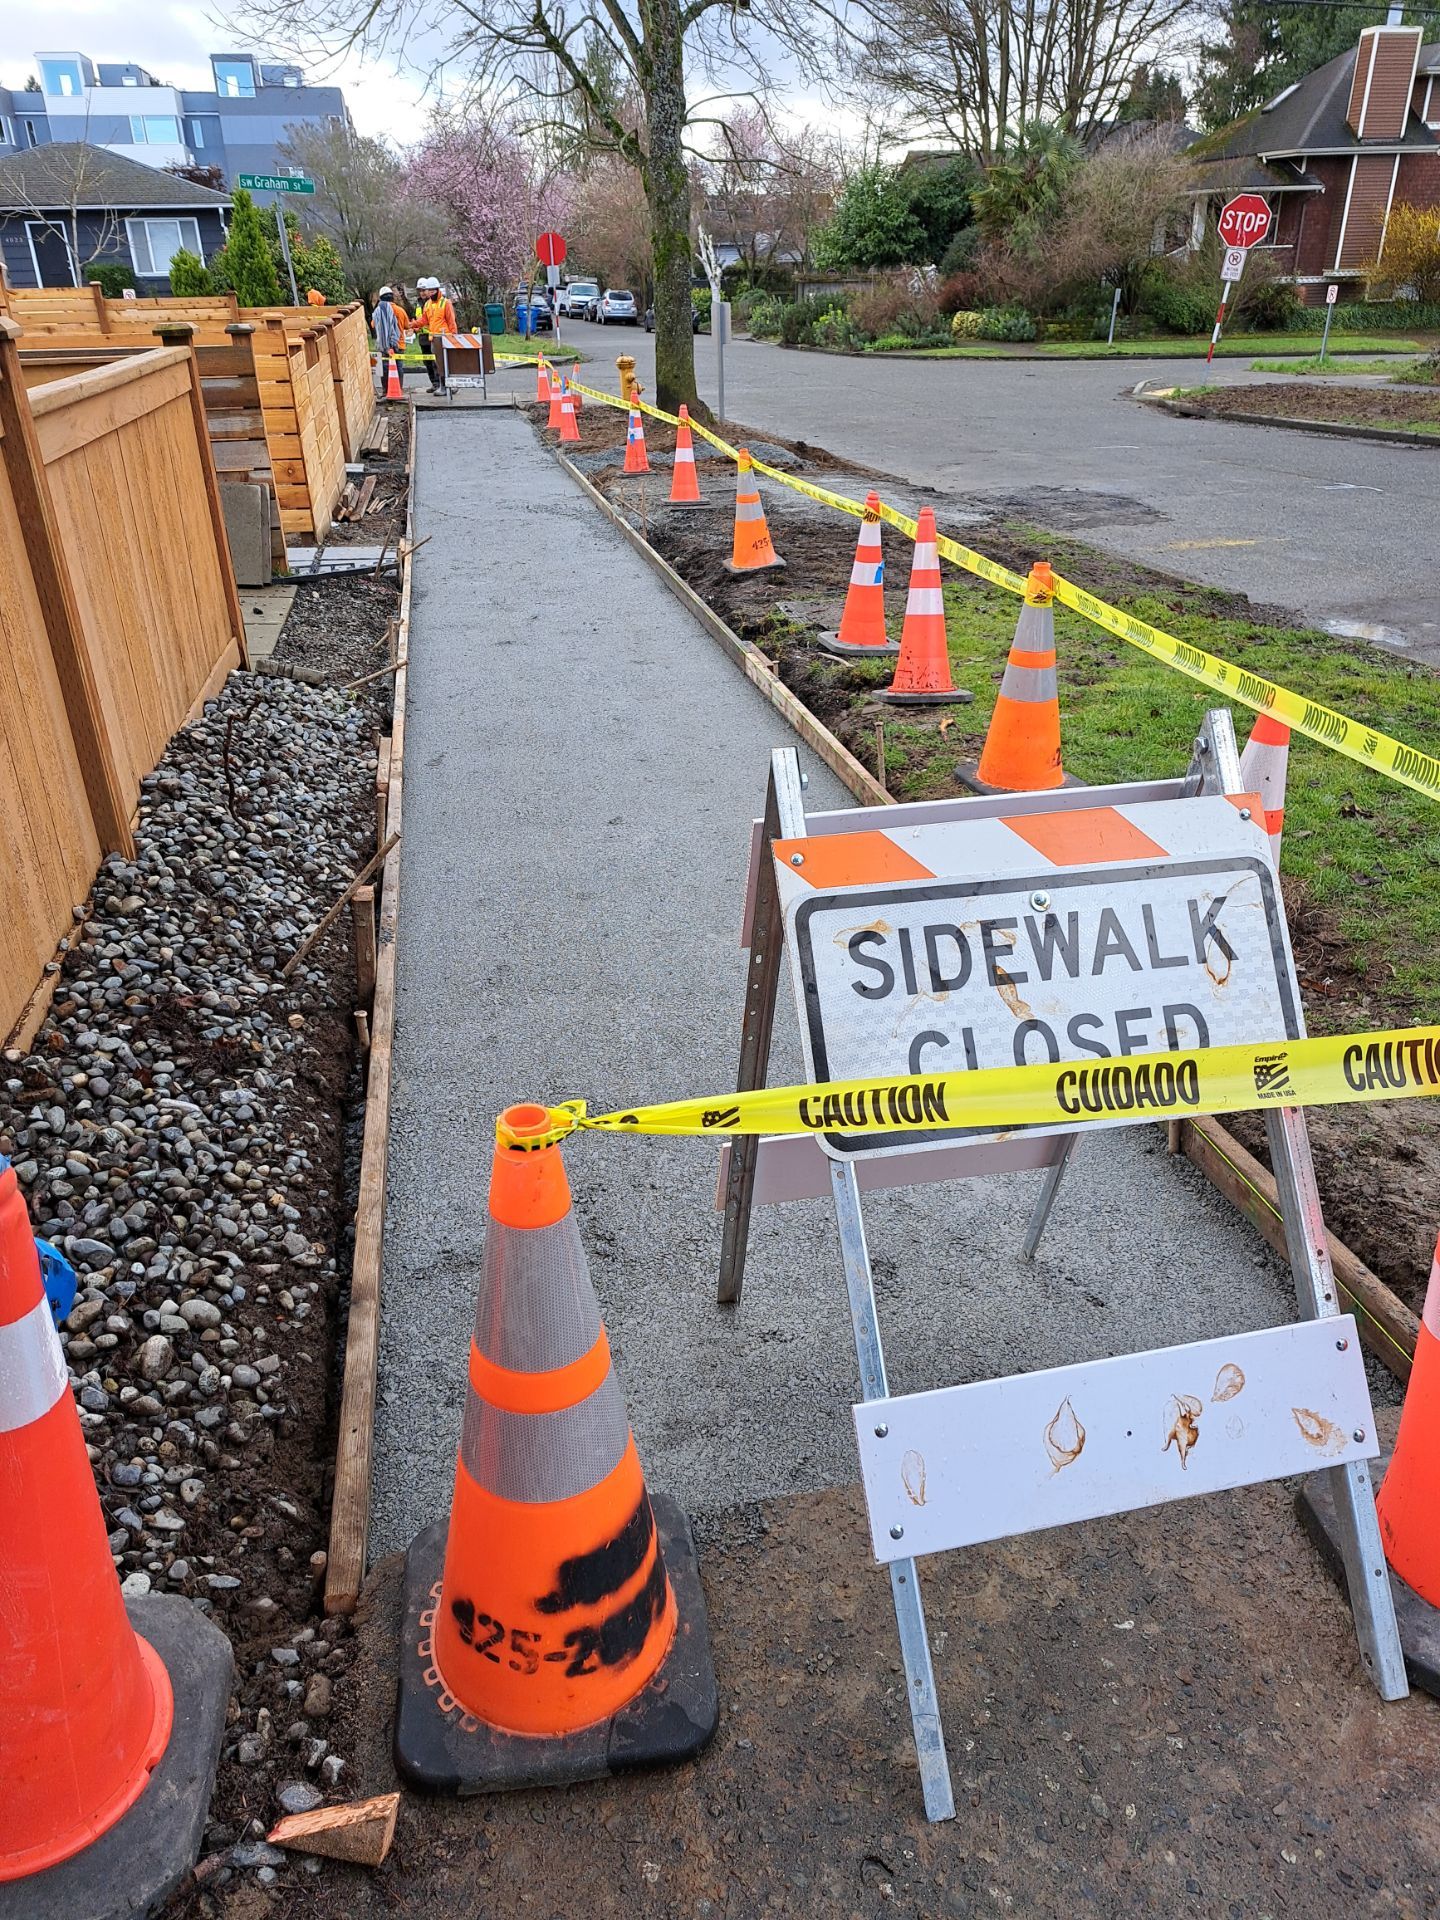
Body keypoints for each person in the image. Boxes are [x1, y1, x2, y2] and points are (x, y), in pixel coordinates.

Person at [418, 277, 457, 393]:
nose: (430, 293)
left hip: (445, 339)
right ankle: (444, 386)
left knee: (447, 364)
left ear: (437, 290)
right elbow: (424, 320)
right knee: (438, 364)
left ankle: (451, 386)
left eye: (432, 291)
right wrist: (412, 324)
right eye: (429, 291)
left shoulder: (445, 303)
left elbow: (451, 322)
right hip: (434, 339)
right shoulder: (428, 304)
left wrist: (453, 337)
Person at [373, 285, 402, 394]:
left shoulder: (377, 310)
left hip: (383, 345)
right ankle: (397, 390)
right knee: (397, 368)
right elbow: (403, 325)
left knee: (384, 368)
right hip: (394, 344)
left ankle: (386, 391)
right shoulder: (397, 310)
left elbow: (373, 325)